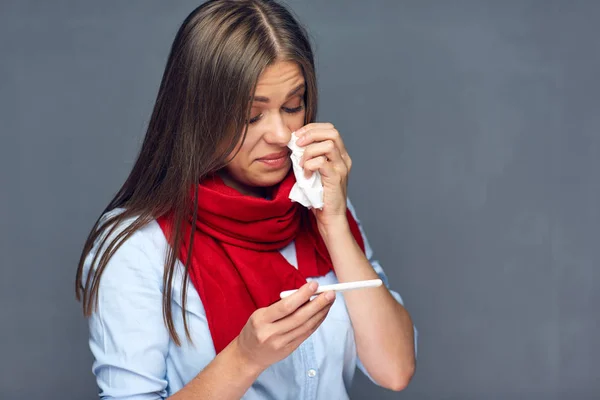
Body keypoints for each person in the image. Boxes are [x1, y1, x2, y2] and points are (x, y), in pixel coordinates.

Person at [75, 1, 417, 398]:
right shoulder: (139, 243)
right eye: (251, 116)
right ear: (198, 114)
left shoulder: (319, 203)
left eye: (293, 106)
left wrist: (335, 222)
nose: (279, 132)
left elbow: (395, 369)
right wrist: (244, 358)